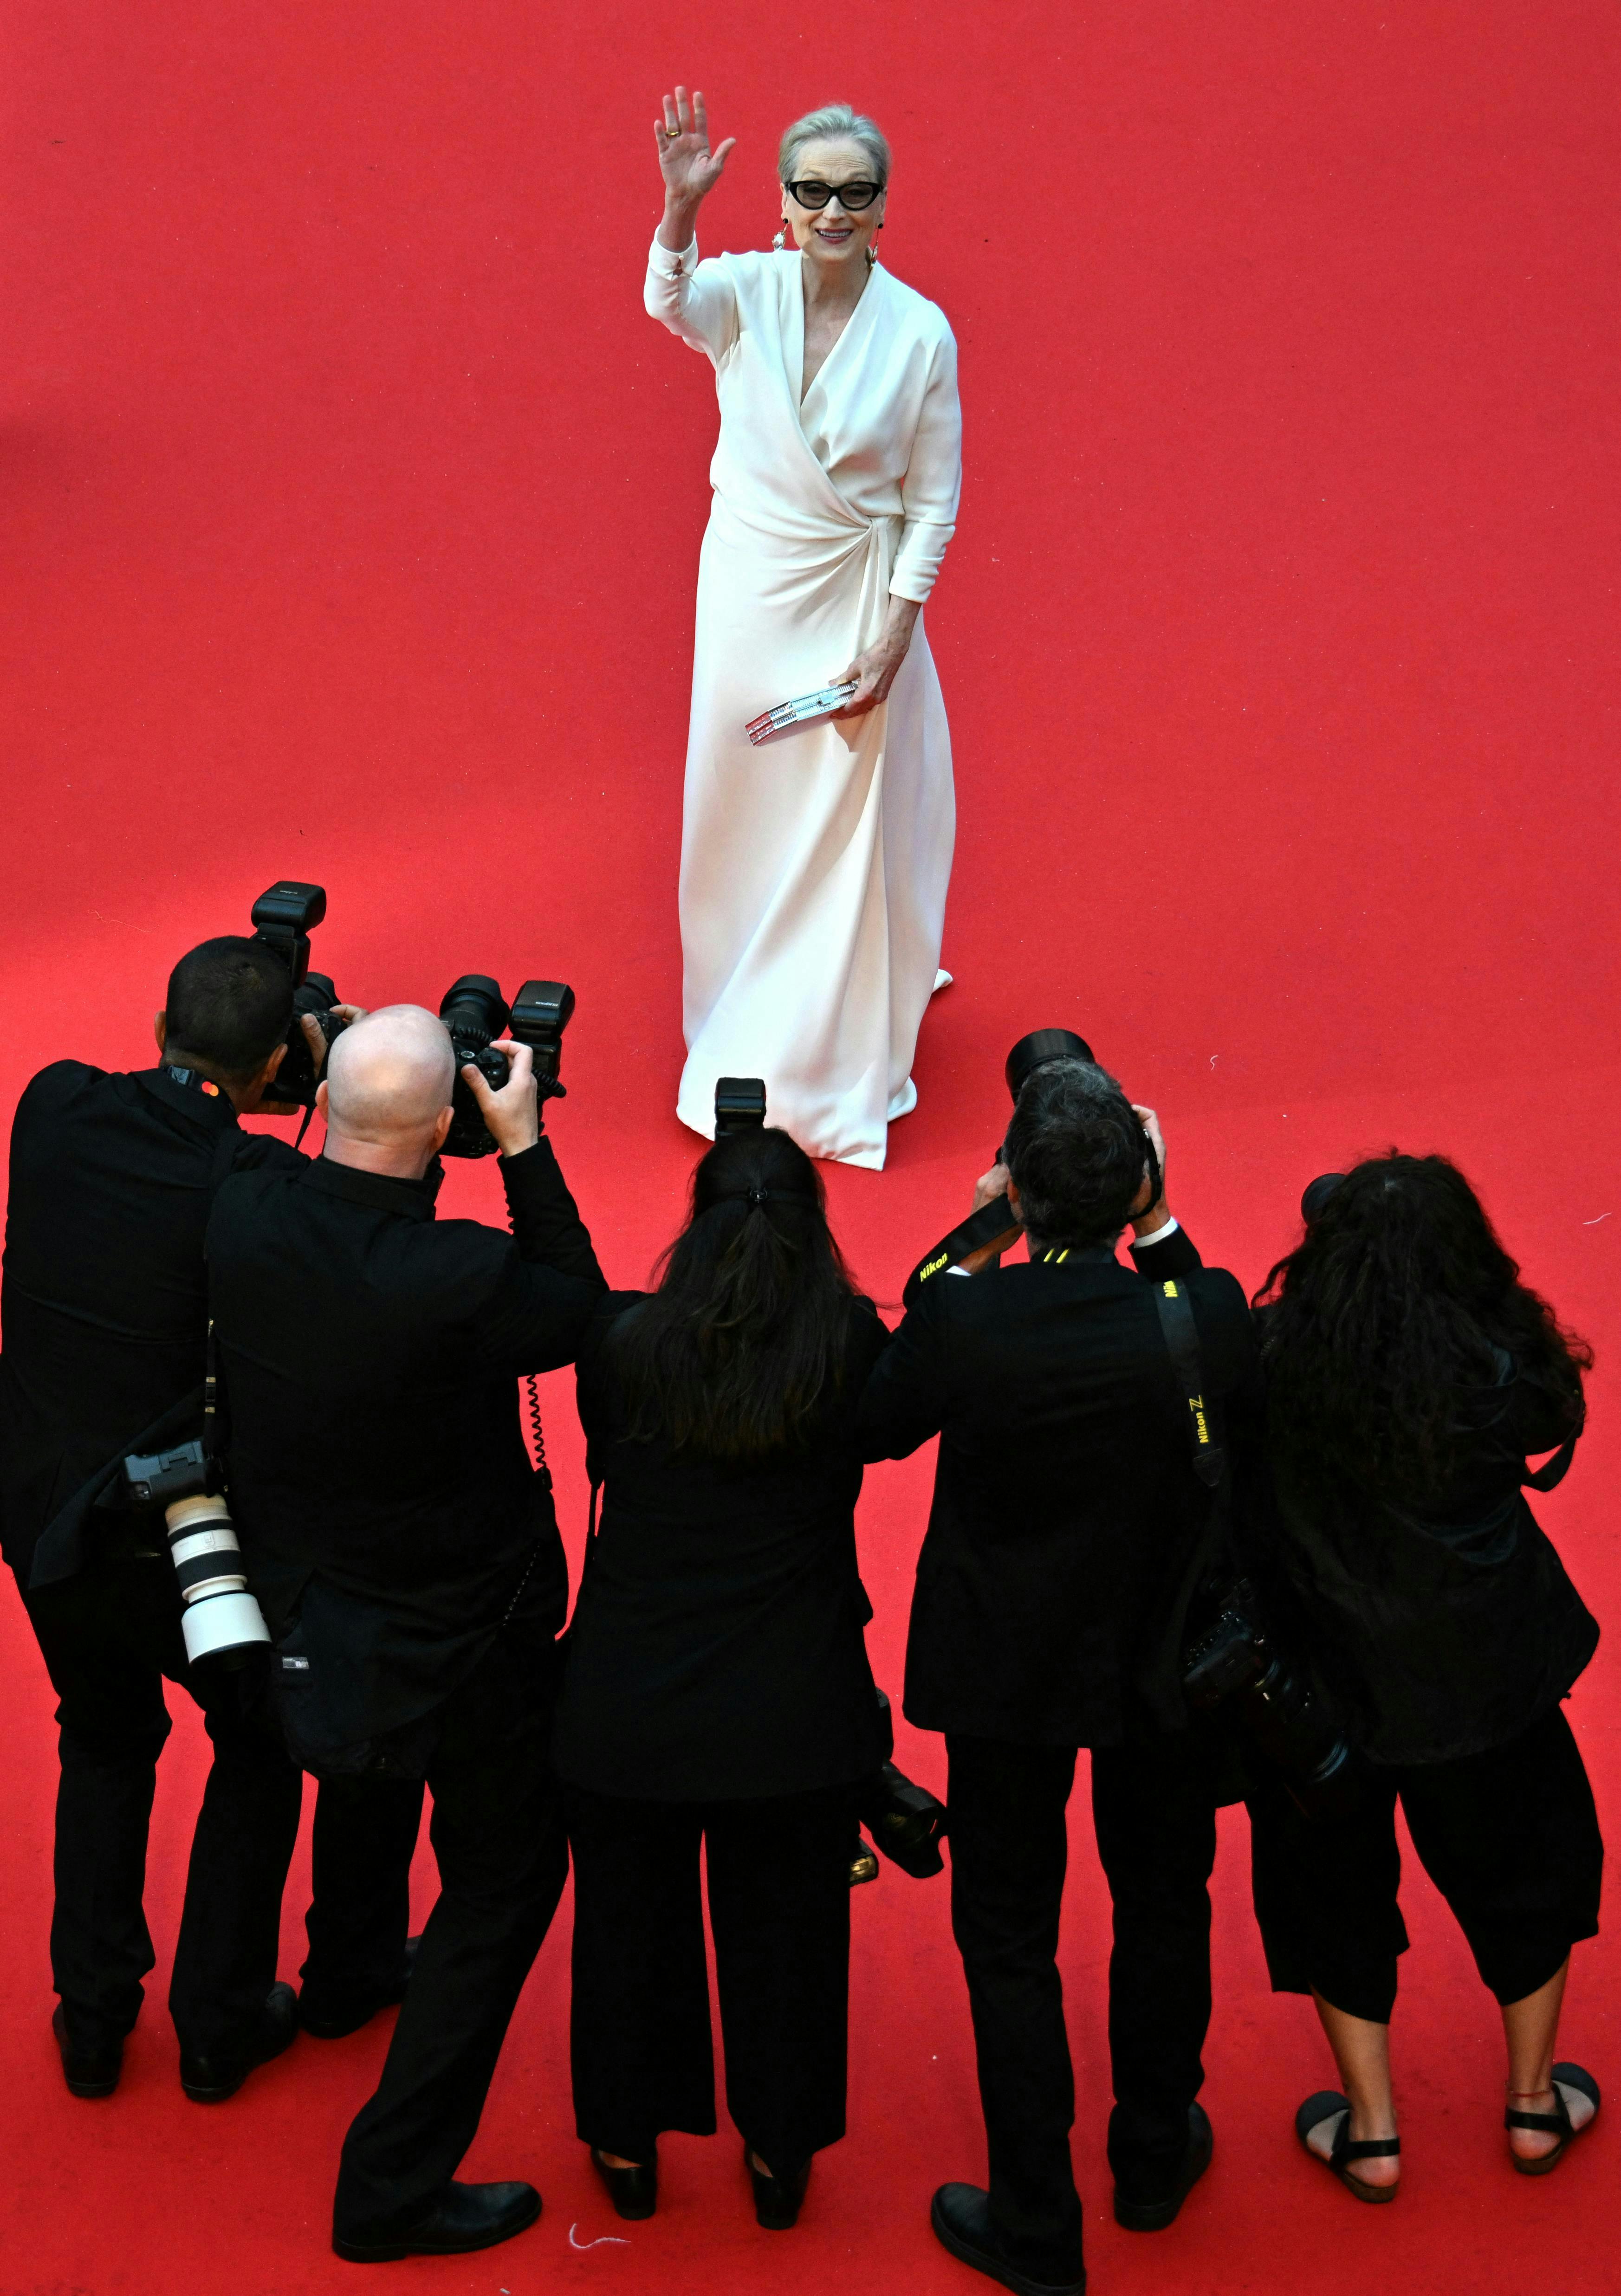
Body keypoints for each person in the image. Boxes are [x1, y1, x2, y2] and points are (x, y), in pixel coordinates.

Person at [206, 1004, 605, 2263]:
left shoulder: (243, 1210)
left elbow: (305, 1139)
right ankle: (391, 2181)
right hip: (461, 1630)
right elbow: (580, 1307)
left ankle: (349, 1970)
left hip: (308, 1604)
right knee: (504, 1877)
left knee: (364, 1772)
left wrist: (349, 1063)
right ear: (445, 1131)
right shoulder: (462, 1281)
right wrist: (527, 1144)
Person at [858, 1058, 1264, 2296]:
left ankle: (1035, 2216)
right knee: (1164, 1901)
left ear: (1015, 1191)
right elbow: (1194, 1302)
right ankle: (1150, 2154)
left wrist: (993, 1215)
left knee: (1007, 1936)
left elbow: (882, 1411)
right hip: (1158, 1667)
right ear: (1137, 1182)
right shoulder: (1198, 1310)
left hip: (1003, 1670)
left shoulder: (965, 1318)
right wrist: (1154, 1217)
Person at [0, 937, 420, 2105]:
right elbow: (349, 1230)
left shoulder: (52, 1106)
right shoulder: (256, 1192)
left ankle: (91, 2019)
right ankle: (218, 2021)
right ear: (284, 1060)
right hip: (186, 1550)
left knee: (102, 1735)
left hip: (38, 1514)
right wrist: (333, 1085)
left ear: (155, 1026)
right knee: (254, 1747)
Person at [550, 1125, 889, 2230]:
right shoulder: (847, 1345)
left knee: (623, 1929)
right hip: (795, 1716)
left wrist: (525, 1153)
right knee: (790, 1937)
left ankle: (625, 2141)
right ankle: (780, 2152)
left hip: (627, 1708)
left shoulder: (626, 1345)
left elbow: (568, 1286)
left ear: (696, 1227)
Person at [1246, 1154, 1602, 2200]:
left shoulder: (1275, 1362)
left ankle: (1374, 2130)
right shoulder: (1499, 1368)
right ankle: (1536, 2105)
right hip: (1488, 1683)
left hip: (1326, 1691)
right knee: (1528, 1879)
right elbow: (1554, 1409)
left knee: (1333, 1900)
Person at [647, 89, 961, 1168]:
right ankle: (735, 985)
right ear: (782, 202)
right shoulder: (745, 291)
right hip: (747, 591)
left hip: (853, 600)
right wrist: (682, 210)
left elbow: (933, 498)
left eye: (855, 193)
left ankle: (816, 1055)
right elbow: (667, 304)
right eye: (812, 190)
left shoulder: (921, 331)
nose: (833, 210)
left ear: (883, 208)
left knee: (838, 815)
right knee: (737, 801)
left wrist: (895, 632)